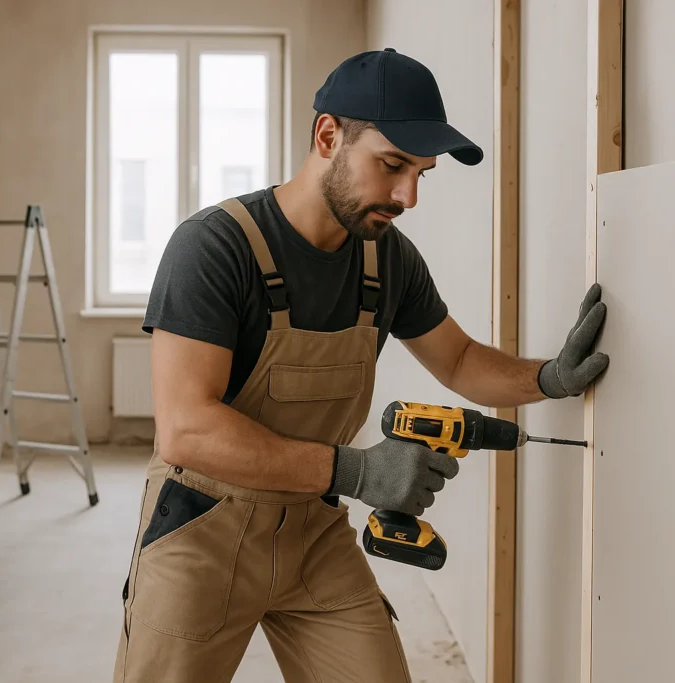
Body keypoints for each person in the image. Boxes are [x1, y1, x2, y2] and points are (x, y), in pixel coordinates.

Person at [112, 47, 608, 683]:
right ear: (327, 136)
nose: (407, 196)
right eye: (392, 165)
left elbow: (457, 359)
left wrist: (546, 379)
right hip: (201, 534)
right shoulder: (214, 247)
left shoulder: (387, 259)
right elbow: (187, 429)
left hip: (312, 533)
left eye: (421, 174)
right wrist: (358, 470)